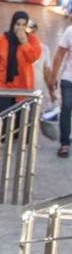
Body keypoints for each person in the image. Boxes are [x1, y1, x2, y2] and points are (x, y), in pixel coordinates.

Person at [0, 11, 42, 117]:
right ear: (13, 24)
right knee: (2, 119)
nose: (20, 28)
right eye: (18, 24)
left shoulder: (32, 40)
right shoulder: (2, 39)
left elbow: (33, 58)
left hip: (22, 89)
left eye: (23, 25)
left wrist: (25, 43)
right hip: (2, 86)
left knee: (19, 122)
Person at [48, 15, 72, 158]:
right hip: (68, 78)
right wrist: (53, 76)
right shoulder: (70, 31)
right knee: (67, 106)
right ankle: (64, 143)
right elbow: (59, 55)